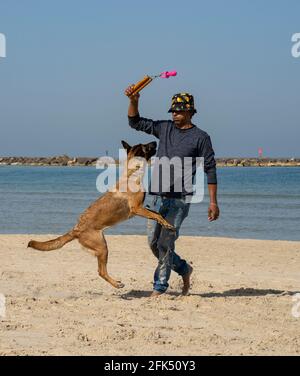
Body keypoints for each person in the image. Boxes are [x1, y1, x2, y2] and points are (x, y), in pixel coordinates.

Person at [125, 86, 219, 297]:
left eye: (178, 110)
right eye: (173, 111)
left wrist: (213, 202)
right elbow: (135, 122)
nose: (174, 113)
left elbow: (210, 169)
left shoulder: (201, 137)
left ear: (190, 112)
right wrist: (134, 100)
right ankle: (184, 269)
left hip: (179, 200)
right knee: (153, 244)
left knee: (165, 244)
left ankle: (159, 288)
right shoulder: (164, 128)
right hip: (156, 198)